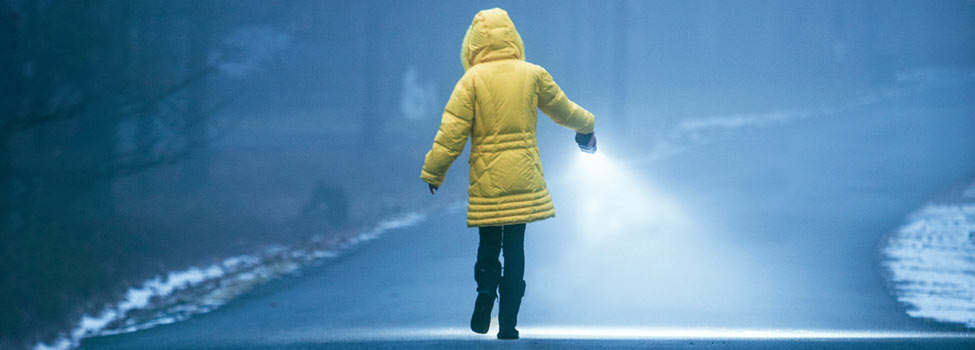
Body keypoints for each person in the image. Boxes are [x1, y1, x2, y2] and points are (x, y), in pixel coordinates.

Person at [420, 8, 596, 340]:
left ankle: (486, 290)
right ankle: (510, 323)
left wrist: (435, 170)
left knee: (489, 242)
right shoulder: (532, 74)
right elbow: (563, 109)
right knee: (516, 248)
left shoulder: (471, 81)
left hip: (487, 180)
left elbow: (451, 132)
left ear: (472, 44)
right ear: (513, 38)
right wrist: (587, 125)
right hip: (523, 176)